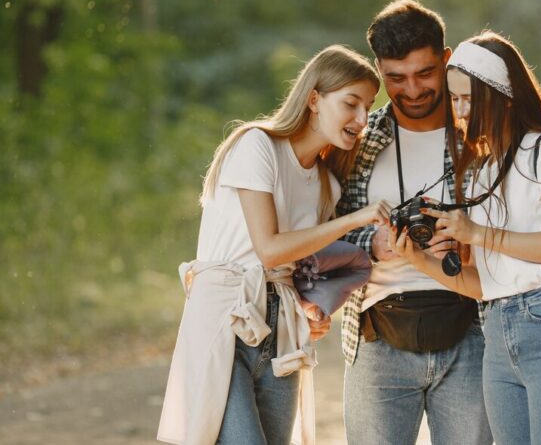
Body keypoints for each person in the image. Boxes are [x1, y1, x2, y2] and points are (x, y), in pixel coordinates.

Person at [157, 45, 391, 445]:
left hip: (282, 330)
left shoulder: (326, 184)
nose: (362, 119)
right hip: (226, 318)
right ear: (314, 98)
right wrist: (358, 217)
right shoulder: (256, 146)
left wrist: (310, 306)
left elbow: (297, 264)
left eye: (368, 107)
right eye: (351, 103)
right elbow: (268, 248)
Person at [391, 31, 541, 444]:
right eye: (455, 99)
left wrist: (478, 232)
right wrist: (420, 260)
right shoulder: (483, 171)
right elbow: (481, 285)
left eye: (470, 98)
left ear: (504, 95)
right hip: (496, 331)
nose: (461, 110)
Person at [337, 0, 493, 445]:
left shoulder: (479, 136)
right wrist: (374, 243)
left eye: (425, 73)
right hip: (375, 338)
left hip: (473, 329)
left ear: (446, 60)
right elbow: (329, 226)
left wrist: (470, 241)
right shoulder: (356, 141)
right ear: (378, 68)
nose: (412, 90)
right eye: (395, 78)